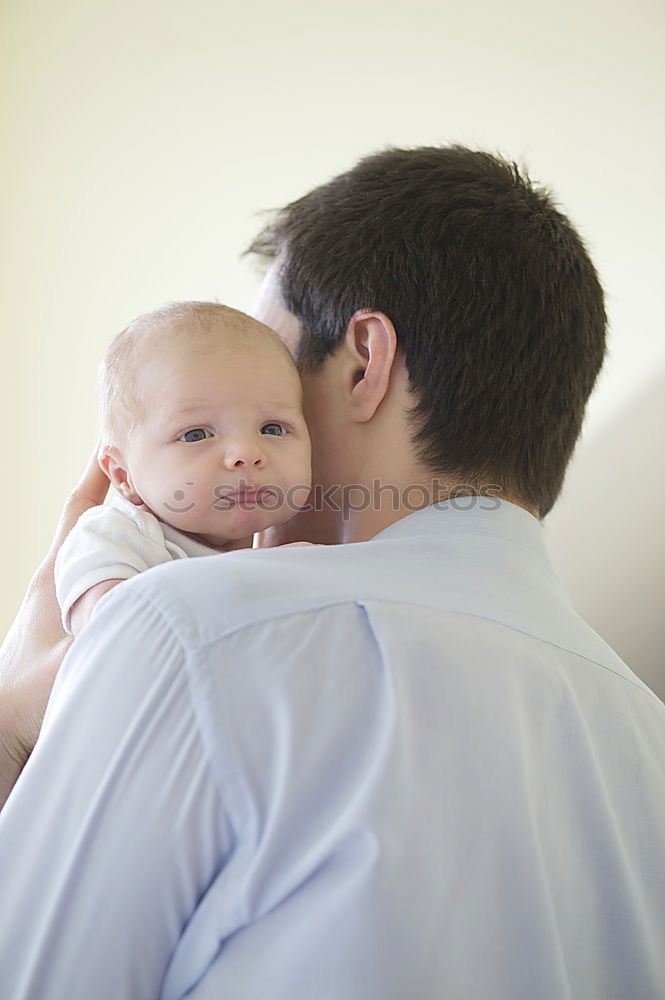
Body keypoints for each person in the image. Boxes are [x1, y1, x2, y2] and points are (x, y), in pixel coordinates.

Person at [1, 145, 664, 999]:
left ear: (362, 361)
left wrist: (16, 718)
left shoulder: (190, 629)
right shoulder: (648, 741)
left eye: (272, 375)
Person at [54, 301, 312, 635]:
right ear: (122, 475)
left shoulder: (275, 553)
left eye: (272, 429)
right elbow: (113, 633)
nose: (247, 454)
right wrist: (255, 577)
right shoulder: (117, 536)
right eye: (196, 435)